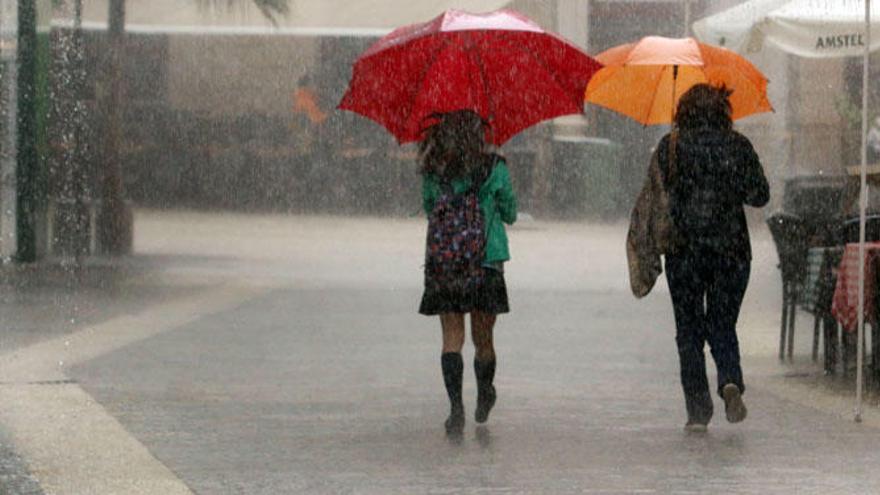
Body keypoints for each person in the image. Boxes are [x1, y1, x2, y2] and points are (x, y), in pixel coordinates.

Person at [654, 84, 769, 433]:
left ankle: (698, 411)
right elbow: (760, 196)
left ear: (683, 112)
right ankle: (730, 381)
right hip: (731, 252)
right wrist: (732, 184)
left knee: (688, 331)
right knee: (722, 324)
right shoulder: (739, 145)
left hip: (684, 252)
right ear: (723, 111)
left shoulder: (670, 146)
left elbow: (659, 197)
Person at [418, 110, 517, 435]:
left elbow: (431, 208)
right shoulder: (495, 167)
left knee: (452, 339)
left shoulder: (434, 168)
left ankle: (455, 407)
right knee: (483, 339)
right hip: (486, 260)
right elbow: (511, 213)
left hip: (447, 264)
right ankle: (485, 391)